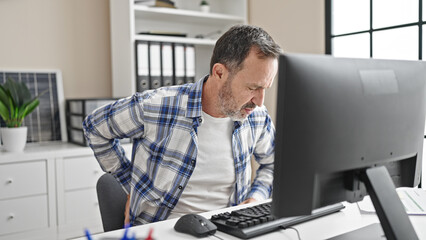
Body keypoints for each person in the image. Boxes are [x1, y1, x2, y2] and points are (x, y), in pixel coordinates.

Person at [83, 24, 282, 226]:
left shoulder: (257, 116)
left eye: (265, 88)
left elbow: (273, 163)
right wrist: (129, 186)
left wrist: (256, 198)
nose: (260, 101)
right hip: (161, 229)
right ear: (220, 73)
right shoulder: (156, 106)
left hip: (228, 229)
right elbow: (95, 127)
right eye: (252, 87)